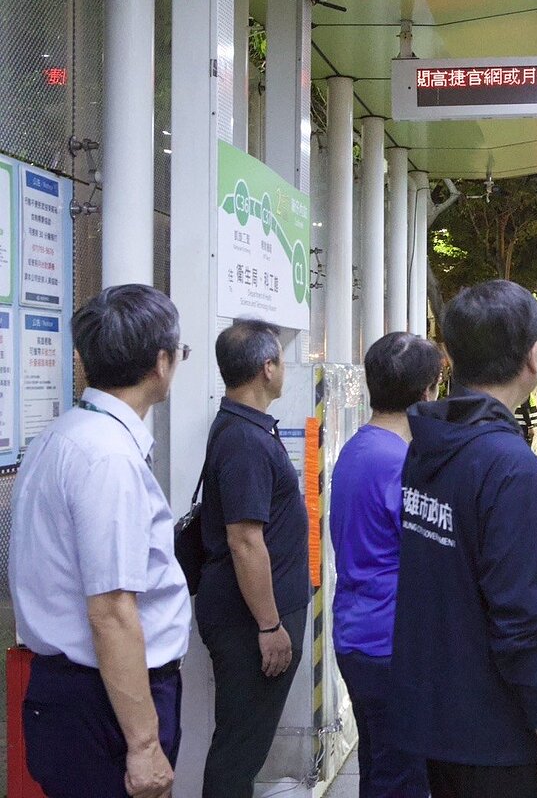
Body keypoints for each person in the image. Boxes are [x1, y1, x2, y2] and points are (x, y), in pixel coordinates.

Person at [390, 280, 537, 798]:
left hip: (438, 722)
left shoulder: (428, 442)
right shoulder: (509, 465)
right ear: (534, 357)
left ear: (451, 356)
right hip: (496, 736)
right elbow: (522, 620)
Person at [10, 284, 191, 798]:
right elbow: (111, 610)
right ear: (161, 362)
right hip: (106, 704)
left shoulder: (61, 435)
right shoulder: (109, 458)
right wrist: (144, 744)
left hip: (76, 692)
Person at [196, 318, 310, 798]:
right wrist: (269, 625)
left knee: (244, 744)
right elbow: (244, 541)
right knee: (239, 751)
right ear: (267, 368)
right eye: (281, 360)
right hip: (250, 623)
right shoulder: (244, 439)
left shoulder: (244, 427)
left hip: (256, 616)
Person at [330, 332, 442, 798]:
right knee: (403, 779)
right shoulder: (400, 462)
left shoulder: (357, 449)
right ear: (427, 394)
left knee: (378, 767)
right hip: (392, 642)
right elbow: (428, 554)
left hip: (356, 634)